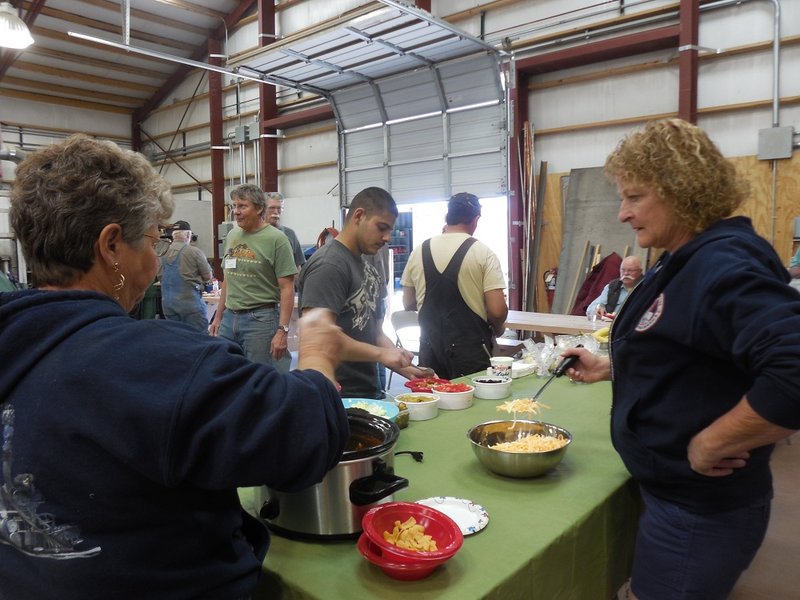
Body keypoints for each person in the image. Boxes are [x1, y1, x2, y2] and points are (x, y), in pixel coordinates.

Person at [0, 134, 349, 599]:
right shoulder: (154, 362)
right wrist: (319, 355)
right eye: (150, 240)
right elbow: (304, 434)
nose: (153, 260)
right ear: (111, 246)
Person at [562, 119, 800, 600]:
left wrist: (713, 441)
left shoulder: (722, 264)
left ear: (680, 191)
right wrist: (611, 366)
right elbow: (691, 350)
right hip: (676, 499)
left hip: (698, 513)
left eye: (634, 197)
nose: (623, 214)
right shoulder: (683, 256)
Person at [298, 187, 428, 398]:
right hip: (337, 395)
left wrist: (406, 368)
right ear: (359, 216)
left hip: (367, 389)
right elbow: (319, 338)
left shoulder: (367, 264)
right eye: (381, 228)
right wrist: (381, 354)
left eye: (389, 231)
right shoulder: (329, 265)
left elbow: (374, 332)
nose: (386, 238)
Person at [401, 192, 508, 379]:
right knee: (476, 405)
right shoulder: (483, 253)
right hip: (472, 354)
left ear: (447, 217)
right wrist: (498, 329)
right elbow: (497, 311)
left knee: (434, 404)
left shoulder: (419, 251)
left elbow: (408, 302)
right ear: (476, 220)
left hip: (430, 350)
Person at [209, 184, 296, 373]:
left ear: (259, 209)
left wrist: (282, 330)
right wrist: (218, 317)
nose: (236, 212)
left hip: (260, 320)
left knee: (260, 377)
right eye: (234, 206)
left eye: (242, 206)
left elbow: (287, 287)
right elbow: (228, 279)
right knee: (225, 371)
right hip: (229, 318)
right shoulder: (232, 235)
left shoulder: (277, 240)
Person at [158, 219, 213, 332]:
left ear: (173, 236)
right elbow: (208, 276)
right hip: (190, 305)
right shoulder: (194, 252)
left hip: (167, 305)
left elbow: (159, 276)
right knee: (199, 339)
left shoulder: (162, 253)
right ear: (188, 234)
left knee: (177, 338)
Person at [585, 254, 643, 319]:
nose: (626, 273)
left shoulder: (646, 288)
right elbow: (590, 310)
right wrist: (597, 310)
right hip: (610, 326)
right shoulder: (613, 287)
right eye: (623, 270)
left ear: (640, 271)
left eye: (630, 270)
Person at [266, 191, 306, 270]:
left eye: (279, 208)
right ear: (263, 209)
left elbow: (298, 265)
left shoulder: (290, 234)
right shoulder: (256, 234)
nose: (275, 211)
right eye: (272, 208)